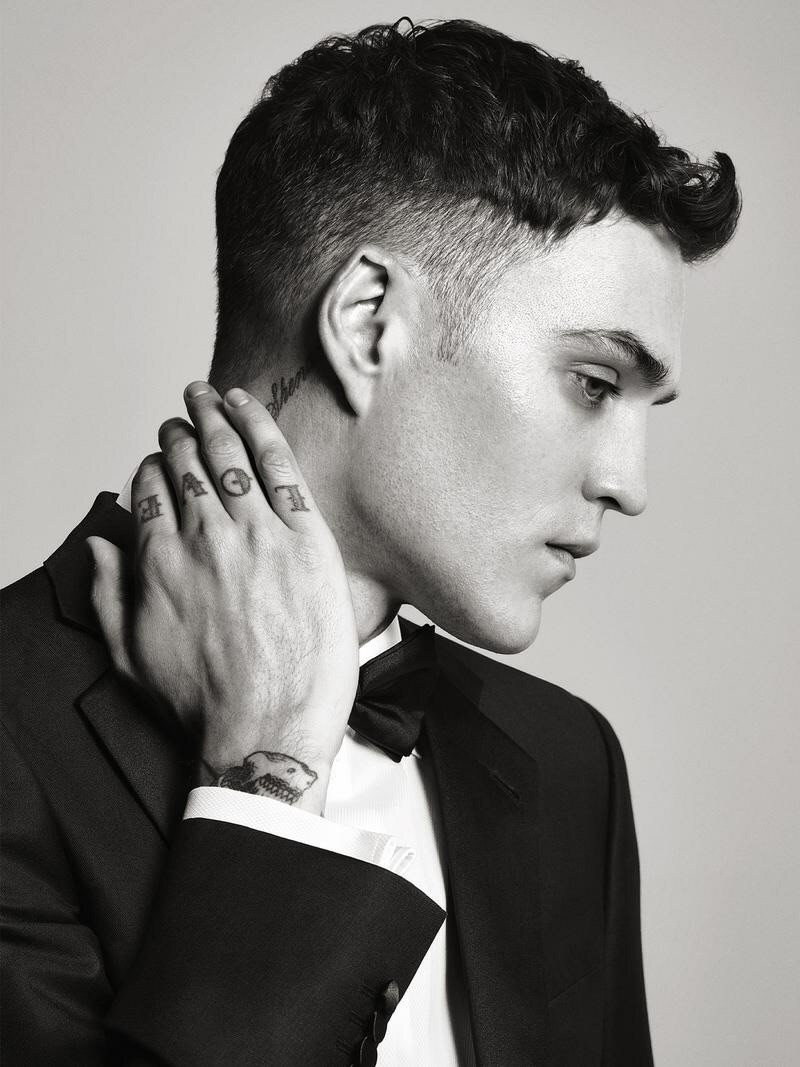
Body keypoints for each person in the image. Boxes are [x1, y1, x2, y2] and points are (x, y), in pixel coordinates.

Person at [0, 17, 741, 1067]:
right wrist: (268, 778)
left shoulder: (566, 761)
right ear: (366, 321)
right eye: (591, 382)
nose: (629, 483)